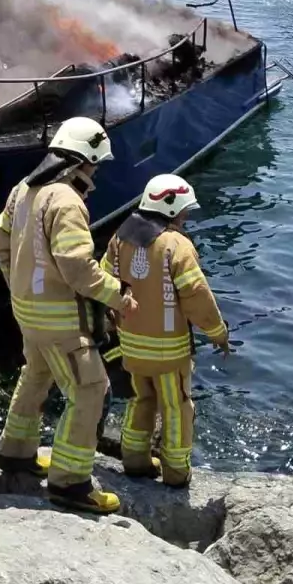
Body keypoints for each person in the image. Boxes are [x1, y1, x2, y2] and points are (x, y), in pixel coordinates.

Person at [0, 116, 138, 515]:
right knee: (90, 388)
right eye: (95, 163)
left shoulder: (23, 190)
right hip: (60, 320)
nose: (96, 171)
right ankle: (70, 483)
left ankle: (16, 452)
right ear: (81, 160)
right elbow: (76, 267)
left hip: (26, 311)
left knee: (36, 374)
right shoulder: (68, 202)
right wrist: (118, 295)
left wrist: (15, 279)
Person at [100, 173, 229, 487]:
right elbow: (197, 295)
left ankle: (133, 459)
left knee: (141, 399)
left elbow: (103, 280)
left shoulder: (120, 237)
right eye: (184, 211)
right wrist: (218, 333)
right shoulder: (177, 246)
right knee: (177, 407)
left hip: (130, 345)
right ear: (172, 210)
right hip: (169, 352)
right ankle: (175, 471)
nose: (186, 217)